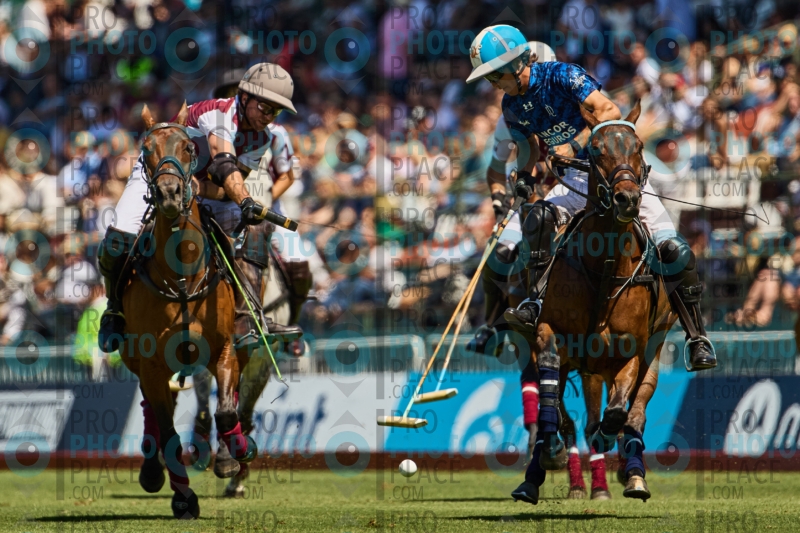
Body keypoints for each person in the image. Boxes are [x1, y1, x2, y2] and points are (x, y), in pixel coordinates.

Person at [464, 25, 716, 371]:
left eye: (495, 75)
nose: (493, 84)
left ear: (515, 63)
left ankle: (697, 337)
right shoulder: (512, 105)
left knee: (673, 248)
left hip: (614, 173)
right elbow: (527, 150)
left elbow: (609, 111)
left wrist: (574, 143)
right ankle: (535, 303)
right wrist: (523, 178)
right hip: (576, 181)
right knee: (537, 218)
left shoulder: (562, 75)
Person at [97, 63, 304, 354]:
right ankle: (114, 309)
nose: (268, 117)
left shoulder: (262, 138)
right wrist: (245, 200)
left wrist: (202, 189)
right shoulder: (218, 115)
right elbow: (224, 164)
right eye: (265, 108)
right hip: (158, 176)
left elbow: (224, 188)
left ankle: (247, 317)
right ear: (244, 97)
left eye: (275, 112)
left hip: (198, 188)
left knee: (256, 232)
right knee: (119, 238)